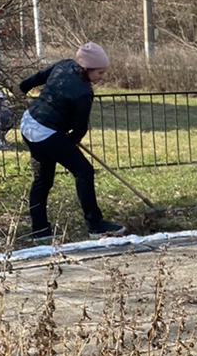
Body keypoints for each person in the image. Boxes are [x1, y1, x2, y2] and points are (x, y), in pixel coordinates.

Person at [19, 43, 125, 242]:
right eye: (100, 73)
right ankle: (95, 225)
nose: (102, 77)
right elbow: (79, 126)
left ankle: (40, 230)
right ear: (87, 69)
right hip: (44, 131)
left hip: (28, 123)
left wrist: (22, 88)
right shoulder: (83, 92)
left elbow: (40, 76)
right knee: (83, 170)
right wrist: (71, 141)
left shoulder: (64, 65)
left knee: (43, 178)